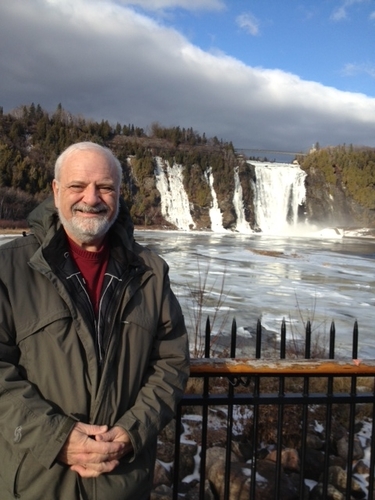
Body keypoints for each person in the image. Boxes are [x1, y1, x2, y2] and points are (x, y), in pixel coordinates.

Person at [0, 142, 190, 499]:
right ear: (56, 191)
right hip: (36, 481)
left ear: (119, 194)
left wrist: (134, 431)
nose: (92, 198)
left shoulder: (149, 272)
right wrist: (55, 437)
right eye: (77, 186)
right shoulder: (8, 269)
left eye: (105, 187)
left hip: (122, 481)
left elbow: (171, 361)